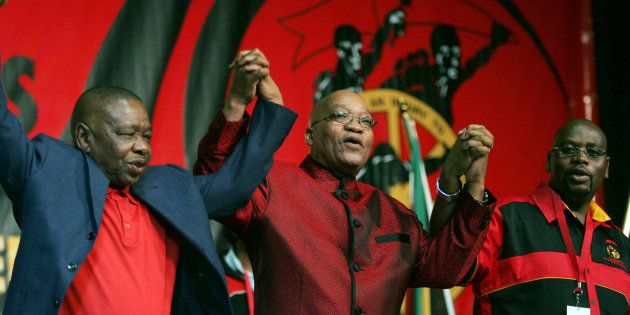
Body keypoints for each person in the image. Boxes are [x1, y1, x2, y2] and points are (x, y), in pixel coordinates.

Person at [195, 49, 496, 314]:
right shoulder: (274, 184)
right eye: (340, 116)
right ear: (310, 135)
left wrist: (467, 182)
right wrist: (236, 103)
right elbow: (213, 185)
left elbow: (445, 269)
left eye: (366, 121)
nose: (356, 126)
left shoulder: (394, 214)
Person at [0, 53, 296, 314]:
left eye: (146, 136)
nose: (142, 147)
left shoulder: (170, 188)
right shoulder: (48, 172)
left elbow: (234, 186)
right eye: (127, 134)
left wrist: (268, 107)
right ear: (84, 138)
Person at [432, 119, 630, 314]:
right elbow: (444, 264)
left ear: (606, 167)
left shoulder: (620, 243)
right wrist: (450, 177)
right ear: (549, 161)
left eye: (593, 152)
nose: (581, 158)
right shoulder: (506, 216)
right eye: (569, 149)